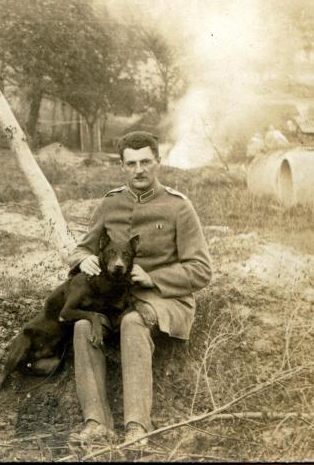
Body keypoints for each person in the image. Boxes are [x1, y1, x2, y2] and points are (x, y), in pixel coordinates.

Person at [67, 130, 212, 447]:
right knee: (82, 325)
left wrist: (154, 279)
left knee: (134, 322)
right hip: (115, 300)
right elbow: (80, 249)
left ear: (158, 161)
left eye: (146, 161)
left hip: (164, 299)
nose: (139, 170)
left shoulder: (179, 208)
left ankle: (137, 429)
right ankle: (96, 423)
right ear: (122, 166)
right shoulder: (110, 204)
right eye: (131, 163)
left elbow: (201, 270)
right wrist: (85, 261)